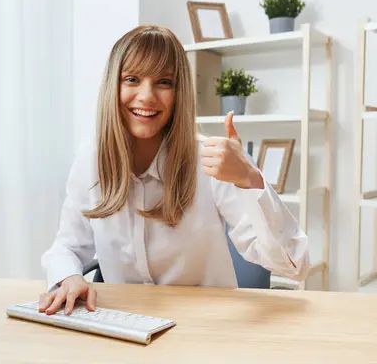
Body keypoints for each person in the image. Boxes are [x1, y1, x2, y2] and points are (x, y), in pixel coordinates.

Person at [39, 24, 310, 316]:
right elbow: (66, 247)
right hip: (124, 324)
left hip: (205, 328)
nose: (146, 96)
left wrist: (250, 179)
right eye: (131, 79)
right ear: (112, 87)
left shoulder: (208, 160)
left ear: (179, 92)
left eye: (164, 82)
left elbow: (293, 265)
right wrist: (69, 277)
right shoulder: (90, 158)